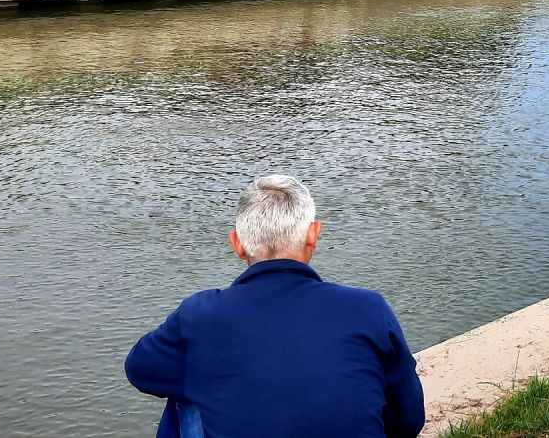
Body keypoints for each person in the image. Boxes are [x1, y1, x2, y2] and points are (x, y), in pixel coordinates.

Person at [125, 175, 426, 438]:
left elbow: (140, 370)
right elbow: (409, 417)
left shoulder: (200, 313)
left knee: (187, 387)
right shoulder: (369, 308)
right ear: (313, 234)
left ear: (237, 244)